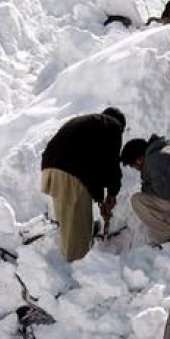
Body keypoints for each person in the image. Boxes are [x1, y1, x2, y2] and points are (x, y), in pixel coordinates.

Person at [41, 107, 126, 262]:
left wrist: (100, 198)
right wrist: (112, 194)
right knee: (78, 228)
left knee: (67, 224)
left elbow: (94, 167)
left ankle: (66, 264)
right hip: (70, 173)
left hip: (50, 169)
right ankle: (77, 267)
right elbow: (110, 165)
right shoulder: (113, 126)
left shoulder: (89, 125)